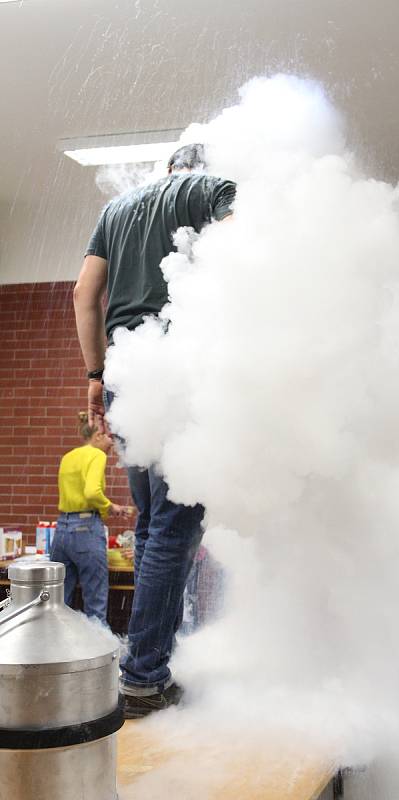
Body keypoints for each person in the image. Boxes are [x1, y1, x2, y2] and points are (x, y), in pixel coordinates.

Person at [73, 143, 236, 718]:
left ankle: (144, 665)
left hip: (125, 370)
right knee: (174, 524)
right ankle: (143, 679)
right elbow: (246, 258)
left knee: (152, 525)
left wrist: (95, 374)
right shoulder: (212, 188)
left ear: (167, 167)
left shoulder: (116, 210)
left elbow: (82, 294)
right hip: (177, 366)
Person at [50, 412, 130, 623]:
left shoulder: (68, 457)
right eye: (107, 437)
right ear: (96, 437)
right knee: (95, 601)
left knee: (58, 602)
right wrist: (110, 506)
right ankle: (98, 653)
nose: (111, 441)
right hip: (85, 530)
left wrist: (107, 509)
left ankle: (57, 651)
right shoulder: (97, 455)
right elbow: (92, 492)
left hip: (61, 532)